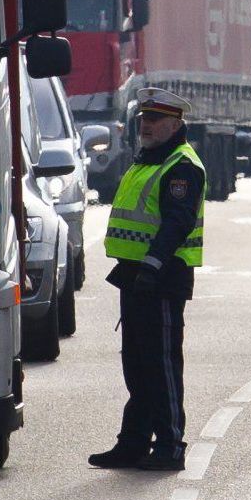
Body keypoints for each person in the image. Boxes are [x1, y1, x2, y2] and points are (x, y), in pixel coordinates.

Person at [89, 88, 206, 472]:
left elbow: (177, 223)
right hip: (135, 276)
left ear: (174, 124)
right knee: (138, 368)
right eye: (143, 119)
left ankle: (170, 446)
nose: (146, 125)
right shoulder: (148, 161)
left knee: (161, 367)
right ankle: (133, 443)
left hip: (162, 277)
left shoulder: (181, 166)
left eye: (155, 120)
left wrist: (152, 266)